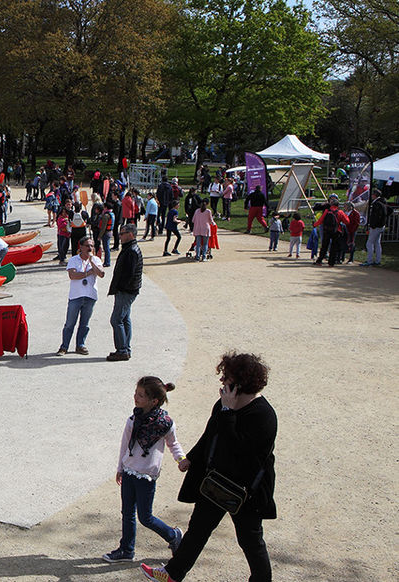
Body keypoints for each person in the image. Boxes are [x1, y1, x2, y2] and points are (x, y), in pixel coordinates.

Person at [141, 352, 277, 582]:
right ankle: (172, 574)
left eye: (227, 378)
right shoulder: (223, 406)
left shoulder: (264, 416)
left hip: (246, 492)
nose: (223, 382)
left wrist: (229, 412)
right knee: (197, 531)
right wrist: (191, 459)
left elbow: (241, 452)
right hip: (215, 482)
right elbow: (210, 436)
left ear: (240, 384)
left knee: (250, 540)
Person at [102, 376, 186, 563]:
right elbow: (124, 446)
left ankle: (173, 536)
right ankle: (126, 550)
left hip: (146, 476)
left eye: (140, 395)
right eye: (135, 393)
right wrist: (120, 468)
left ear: (153, 401)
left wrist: (181, 459)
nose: (135, 397)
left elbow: (174, 444)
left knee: (145, 517)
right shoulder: (132, 421)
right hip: (129, 472)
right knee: (127, 513)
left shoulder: (165, 423)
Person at [58, 237, 105, 356]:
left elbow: (101, 274)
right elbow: (72, 275)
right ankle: (64, 346)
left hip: (90, 296)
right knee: (69, 323)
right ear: (81, 247)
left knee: (85, 323)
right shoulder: (74, 260)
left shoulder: (96, 260)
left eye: (92, 246)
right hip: (76, 296)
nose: (90, 248)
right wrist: (88, 273)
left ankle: (80, 345)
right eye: (88, 246)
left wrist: (92, 262)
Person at [107, 224, 143, 362]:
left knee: (116, 319)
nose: (120, 236)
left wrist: (120, 288)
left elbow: (129, 274)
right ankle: (125, 348)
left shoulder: (131, 251)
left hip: (126, 291)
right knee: (124, 319)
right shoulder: (130, 248)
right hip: (128, 290)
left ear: (131, 234)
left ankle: (122, 350)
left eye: (122, 234)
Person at [362, 189, 387, 266]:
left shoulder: (377, 204)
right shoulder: (383, 202)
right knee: (377, 243)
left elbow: (376, 216)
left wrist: (373, 225)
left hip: (376, 227)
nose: (371, 196)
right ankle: (377, 260)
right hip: (381, 226)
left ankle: (369, 261)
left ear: (375, 195)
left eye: (372, 194)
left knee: (369, 243)